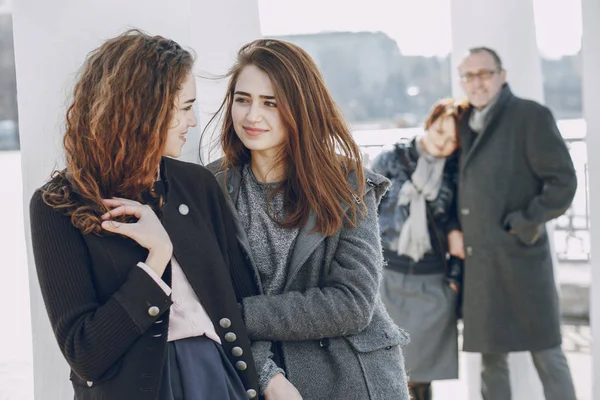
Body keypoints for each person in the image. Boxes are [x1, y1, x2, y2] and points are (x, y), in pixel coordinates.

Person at [29, 30, 260, 400]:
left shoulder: (198, 184)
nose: (193, 122)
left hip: (218, 380)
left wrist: (271, 377)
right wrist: (157, 259)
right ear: (144, 110)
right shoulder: (57, 205)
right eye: (185, 108)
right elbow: (84, 354)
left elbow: (243, 303)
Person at [205, 39, 410, 400]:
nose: (252, 116)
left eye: (271, 103)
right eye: (243, 99)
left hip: (350, 379)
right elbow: (202, 300)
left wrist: (238, 315)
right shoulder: (209, 188)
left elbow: (352, 303)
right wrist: (266, 373)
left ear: (300, 107)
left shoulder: (346, 183)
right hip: (254, 382)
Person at [456, 46, 578, 400]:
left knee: (547, 353)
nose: (477, 82)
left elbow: (563, 182)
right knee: (492, 360)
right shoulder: (464, 121)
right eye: (469, 75)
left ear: (501, 75)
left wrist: (524, 222)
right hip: (481, 262)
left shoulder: (530, 116)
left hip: (521, 256)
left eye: (485, 73)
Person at [371, 98, 466, 400]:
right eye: (440, 132)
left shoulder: (454, 172)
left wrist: (454, 278)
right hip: (389, 276)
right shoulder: (390, 159)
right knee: (388, 372)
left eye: (453, 140)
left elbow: (455, 222)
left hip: (430, 280)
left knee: (422, 375)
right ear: (429, 122)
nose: (443, 144)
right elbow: (363, 212)